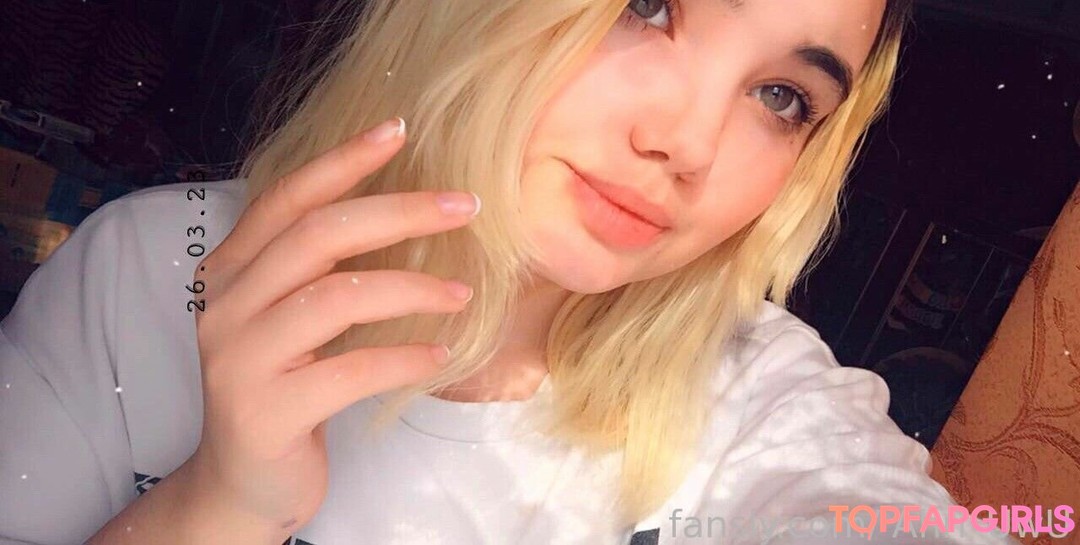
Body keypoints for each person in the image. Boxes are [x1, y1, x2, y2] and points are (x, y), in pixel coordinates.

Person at [0, 0, 1027, 544]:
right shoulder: (144, 274)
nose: (690, 143)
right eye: (648, 4)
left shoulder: (758, 391)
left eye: (781, 96)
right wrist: (216, 507)